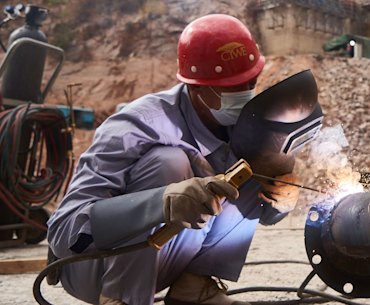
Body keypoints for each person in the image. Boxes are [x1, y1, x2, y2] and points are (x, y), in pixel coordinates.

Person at [47, 14, 300, 305]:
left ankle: (195, 288)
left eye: (250, 82)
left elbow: (259, 213)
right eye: (231, 88)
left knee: (253, 163)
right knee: (168, 162)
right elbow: (64, 230)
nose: (245, 94)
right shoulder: (137, 126)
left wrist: (281, 200)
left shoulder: (245, 127)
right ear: (196, 87)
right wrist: (161, 201)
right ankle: (122, 298)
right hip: (92, 266)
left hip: (167, 261)